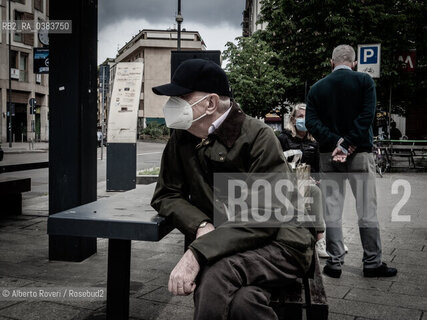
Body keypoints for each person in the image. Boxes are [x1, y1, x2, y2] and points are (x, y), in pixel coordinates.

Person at [151, 59, 315, 319]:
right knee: (242, 303)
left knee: (216, 273)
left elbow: (266, 214)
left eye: (181, 97)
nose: (172, 105)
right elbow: (167, 194)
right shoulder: (181, 137)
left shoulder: (259, 137)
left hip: (280, 243)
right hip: (229, 245)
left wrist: (198, 251)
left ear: (211, 103)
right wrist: (201, 225)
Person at [306, 45, 397, 279]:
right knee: (367, 209)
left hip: (329, 155)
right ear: (354, 63)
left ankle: (335, 263)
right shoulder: (365, 82)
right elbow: (367, 117)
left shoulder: (317, 88)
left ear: (331, 62)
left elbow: (312, 123)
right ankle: (372, 262)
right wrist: (348, 144)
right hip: (360, 154)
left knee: (332, 210)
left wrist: (335, 142)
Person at [278, 103, 348, 258]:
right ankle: (320, 240)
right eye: (300, 116)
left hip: (308, 181)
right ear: (293, 119)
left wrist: (317, 180)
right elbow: (278, 165)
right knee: (315, 192)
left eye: (306, 117)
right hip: (287, 182)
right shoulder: (283, 138)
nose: (303, 120)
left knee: (331, 190)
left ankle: (334, 240)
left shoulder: (314, 141)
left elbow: (317, 169)